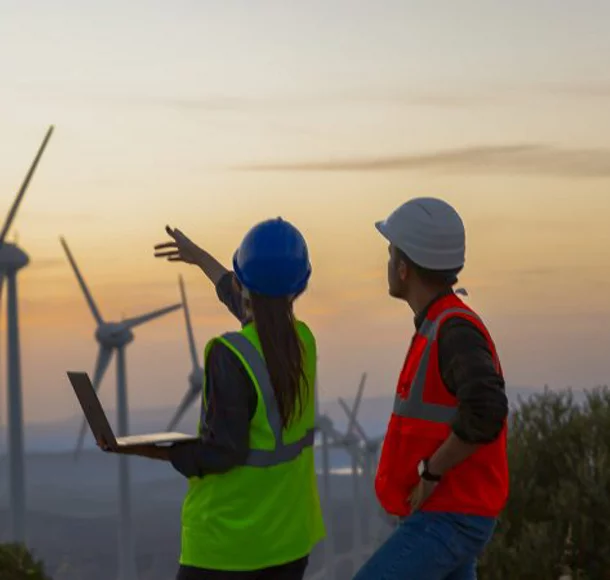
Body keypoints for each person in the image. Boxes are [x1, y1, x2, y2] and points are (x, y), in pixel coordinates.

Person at [97, 218, 325, 580]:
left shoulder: (230, 354)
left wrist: (144, 448)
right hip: (289, 541)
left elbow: (222, 454)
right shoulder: (302, 342)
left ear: (241, 281)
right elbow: (251, 304)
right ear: (299, 287)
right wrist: (200, 257)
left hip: (227, 547)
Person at [353, 198, 509, 580]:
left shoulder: (453, 329)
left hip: (452, 513)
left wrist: (431, 472)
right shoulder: (439, 323)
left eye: (390, 255)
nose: (387, 264)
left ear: (404, 268)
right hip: (450, 511)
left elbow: (487, 409)